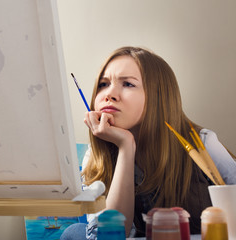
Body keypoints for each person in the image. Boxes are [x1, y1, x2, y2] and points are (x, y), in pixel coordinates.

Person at [60, 46, 236, 239]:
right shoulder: (95, 156)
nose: (110, 94)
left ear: (158, 97)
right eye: (103, 84)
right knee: (74, 233)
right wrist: (126, 147)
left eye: (127, 84)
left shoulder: (202, 142)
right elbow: (107, 235)